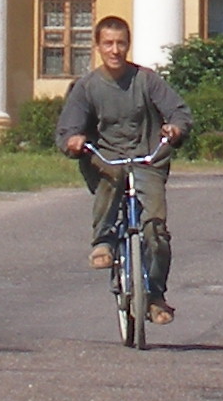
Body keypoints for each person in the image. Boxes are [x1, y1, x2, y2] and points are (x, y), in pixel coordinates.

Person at [58, 16, 192, 324]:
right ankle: (103, 241)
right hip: (106, 159)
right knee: (113, 176)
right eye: (108, 43)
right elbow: (68, 128)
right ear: (98, 46)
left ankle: (155, 296)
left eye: (120, 43)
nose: (115, 50)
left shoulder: (146, 80)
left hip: (147, 159)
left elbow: (179, 112)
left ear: (128, 45)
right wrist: (74, 140)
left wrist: (175, 128)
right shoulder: (87, 87)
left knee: (156, 230)